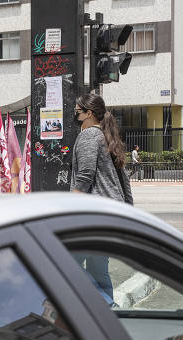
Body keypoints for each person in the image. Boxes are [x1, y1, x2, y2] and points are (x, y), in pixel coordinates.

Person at [71, 93, 133, 302]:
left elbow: (85, 174)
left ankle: (83, 311)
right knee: (98, 268)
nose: (74, 114)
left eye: (77, 111)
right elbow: (123, 180)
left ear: (89, 114)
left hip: (93, 212)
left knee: (67, 264)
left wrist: (68, 206)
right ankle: (107, 311)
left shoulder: (89, 135)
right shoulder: (106, 135)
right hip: (107, 212)